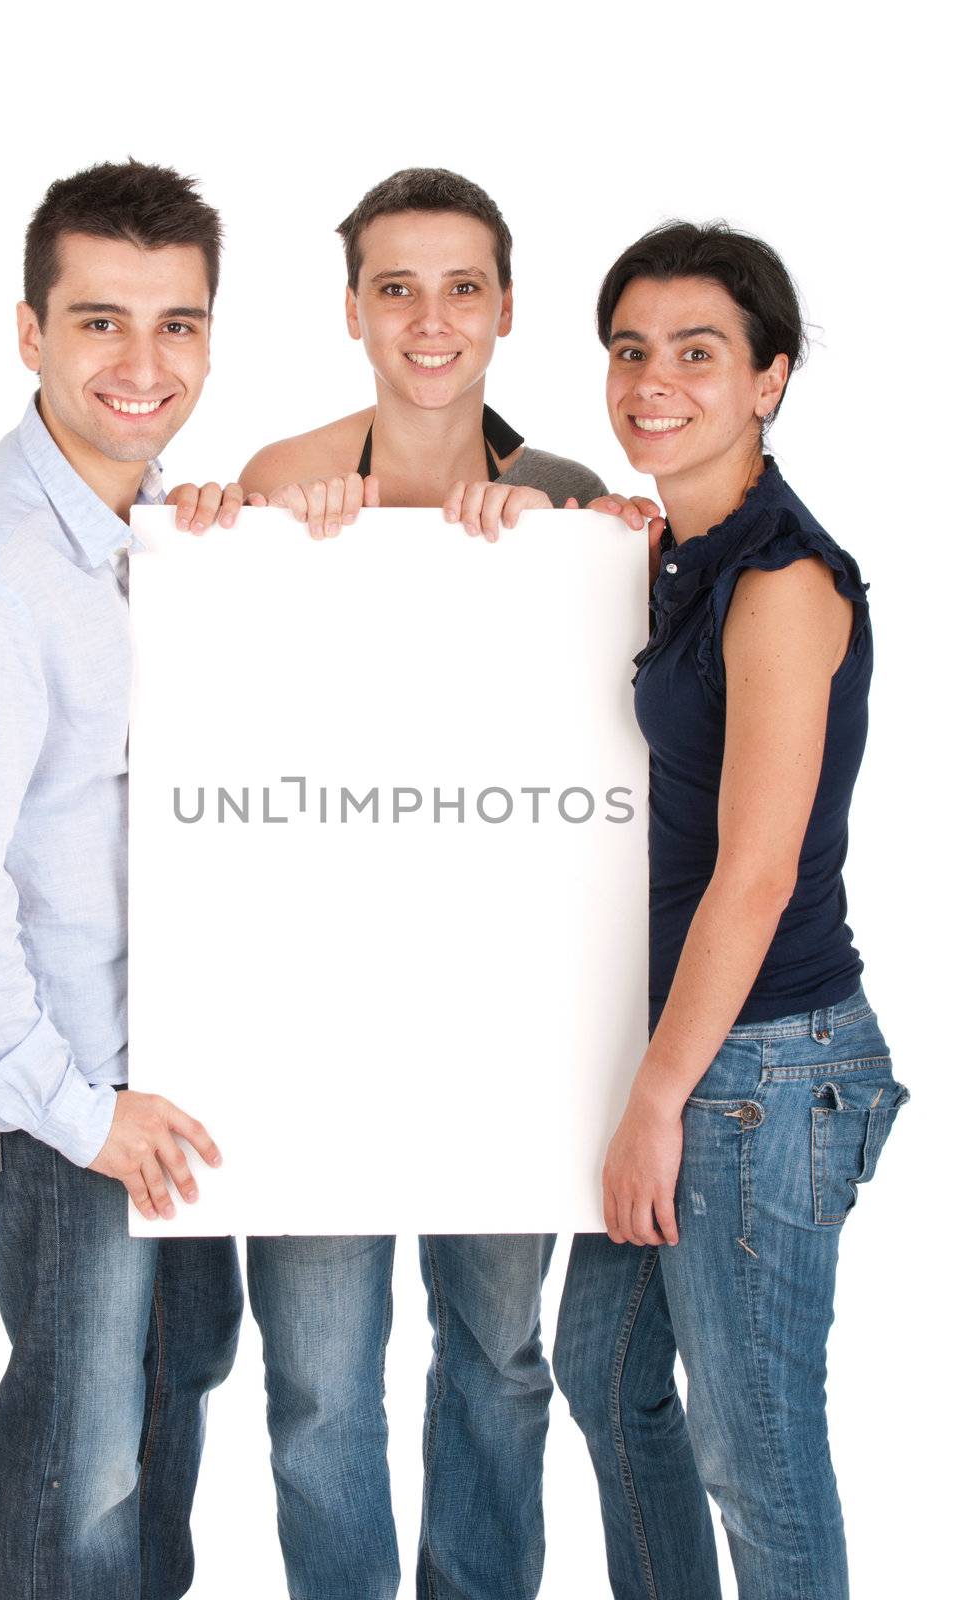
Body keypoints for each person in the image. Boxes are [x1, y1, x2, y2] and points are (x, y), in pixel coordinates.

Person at [170, 167, 676, 1600]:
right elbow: (213, 732)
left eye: (461, 287)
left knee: (498, 1356)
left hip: (505, 1023)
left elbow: (627, 746)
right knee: (321, 1382)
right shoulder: (277, 480)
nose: (430, 318)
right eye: (396, 287)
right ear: (351, 311)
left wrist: (631, 562)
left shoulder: (573, 502)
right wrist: (224, 536)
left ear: (505, 309)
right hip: (315, 1020)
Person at [0, 160, 244, 1600]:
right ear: (29, 334)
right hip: (70, 1101)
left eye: (177, 324)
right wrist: (74, 1113)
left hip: (163, 1083)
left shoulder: (141, 523)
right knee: (79, 1472)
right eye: (99, 322)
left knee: (165, 1414)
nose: (142, 364)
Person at [552, 222, 909, 1600]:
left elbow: (754, 876)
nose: (653, 380)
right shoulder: (683, 552)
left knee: (750, 1449)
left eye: (696, 353)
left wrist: (655, 1101)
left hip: (760, 1063)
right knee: (604, 1374)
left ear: (767, 378)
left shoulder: (780, 584)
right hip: (698, 1053)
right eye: (629, 350)